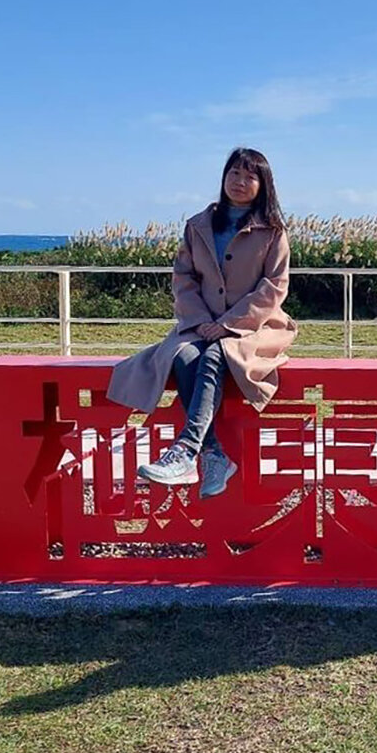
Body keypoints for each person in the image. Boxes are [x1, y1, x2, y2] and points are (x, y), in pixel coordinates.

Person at [107, 147, 297, 495]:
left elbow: (274, 286)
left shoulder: (273, 232)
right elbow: (184, 278)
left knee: (216, 354)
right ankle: (212, 454)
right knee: (184, 356)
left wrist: (227, 324)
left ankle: (186, 450)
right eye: (234, 174)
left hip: (254, 327)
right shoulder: (198, 226)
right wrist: (200, 321)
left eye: (250, 176)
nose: (240, 182)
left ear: (264, 184)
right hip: (198, 324)